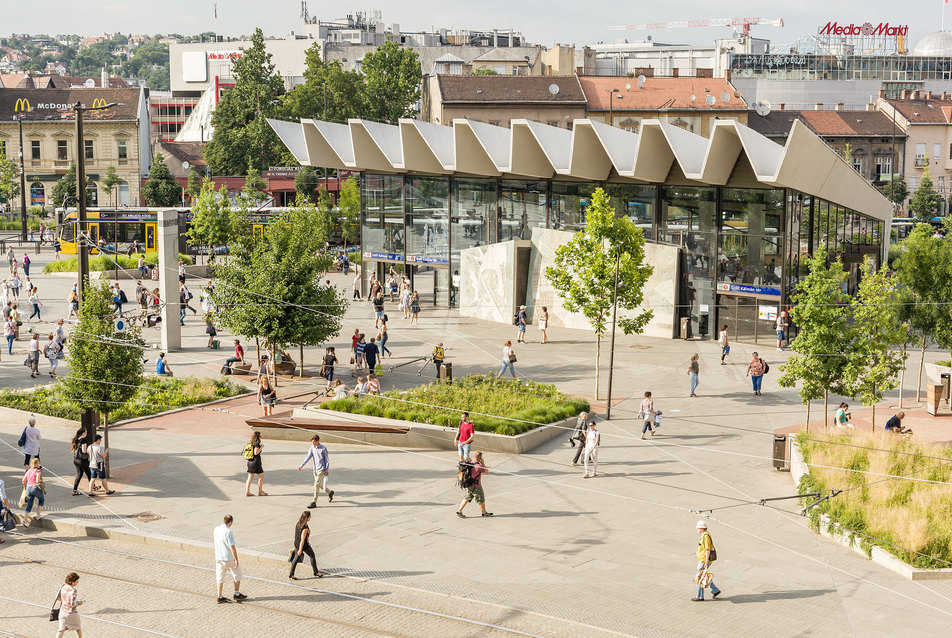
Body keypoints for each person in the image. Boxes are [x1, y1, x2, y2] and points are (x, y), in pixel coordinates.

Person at [213, 515, 248, 603]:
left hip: (219, 558)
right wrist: (236, 559)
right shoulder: (228, 532)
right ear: (230, 522)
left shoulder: (216, 529)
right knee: (237, 575)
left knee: (220, 577)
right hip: (228, 558)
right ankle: (236, 594)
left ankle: (219, 596)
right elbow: (232, 547)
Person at [298, 434, 333, 508]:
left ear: (318, 441)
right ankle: (330, 492)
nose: (313, 443)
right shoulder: (312, 447)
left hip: (321, 469)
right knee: (319, 484)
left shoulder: (323, 449)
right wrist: (302, 465)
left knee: (316, 484)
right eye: (312, 442)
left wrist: (326, 470)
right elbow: (308, 457)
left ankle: (314, 502)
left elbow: (327, 460)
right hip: (315, 469)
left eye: (314, 442)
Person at [456, 451, 492, 518]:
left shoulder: (471, 462)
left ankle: (459, 511)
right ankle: (484, 513)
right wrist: (483, 463)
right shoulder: (479, 466)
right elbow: (487, 471)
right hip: (476, 486)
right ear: (480, 458)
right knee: (481, 499)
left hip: (469, 484)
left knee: (467, 497)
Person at [289, 510, 323, 579]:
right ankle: (316, 572)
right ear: (307, 518)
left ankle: (291, 574)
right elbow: (302, 539)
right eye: (310, 516)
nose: (311, 517)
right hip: (303, 545)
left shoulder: (298, 523)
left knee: (296, 558)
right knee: (312, 556)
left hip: (296, 544)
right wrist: (300, 550)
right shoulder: (304, 528)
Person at [692, 520, 721, 602]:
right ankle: (715, 590)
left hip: (704, 561)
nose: (696, 529)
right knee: (704, 576)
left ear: (702, 528)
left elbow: (708, 549)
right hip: (702, 560)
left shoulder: (706, 536)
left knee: (699, 578)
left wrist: (706, 562)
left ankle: (700, 596)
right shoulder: (704, 535)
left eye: (697, 528)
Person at [55, 572, 84, 636]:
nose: (77, 582)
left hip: (62, 612)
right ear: (72, 582)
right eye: (76, 580)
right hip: (71, 613)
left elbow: (57, 598)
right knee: (78, 629)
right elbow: (72, 604)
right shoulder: (73, 591)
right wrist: (79, 602)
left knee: (61, 630)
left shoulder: (63, 587)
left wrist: (65, 601)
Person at [243, 431, 267, 497]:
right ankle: (260, 491)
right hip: (256, 463)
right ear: (258, 437)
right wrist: (261, 447)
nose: (261, 437)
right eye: (260, 436)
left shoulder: (251, 443)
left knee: (250, 477)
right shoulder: (256, 444)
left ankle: (247, 492)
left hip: (250, 462)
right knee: (261, 476)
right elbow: (256, 452)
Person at [21, 457, 44, 524]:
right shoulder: (38, 471)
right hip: (35, 487)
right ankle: (38, 515)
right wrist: (41, 480)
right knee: (41, 499)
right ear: (38, 464)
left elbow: (23, 480)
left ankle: (25, 520)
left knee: (29, 503)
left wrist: (25, 487)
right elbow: (37, 480)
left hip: (28, 487)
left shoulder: (28, 471)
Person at [70, 428, 91, 496]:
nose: (87, 433)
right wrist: (89, 452)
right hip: (83, 460)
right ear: (83, 433)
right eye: (86, 432)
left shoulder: (76, 439)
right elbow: (84, 451)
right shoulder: (83, 440)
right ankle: (92, 487)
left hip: (76, 459)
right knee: (89, 473)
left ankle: (74, 490)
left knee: (79, 475)